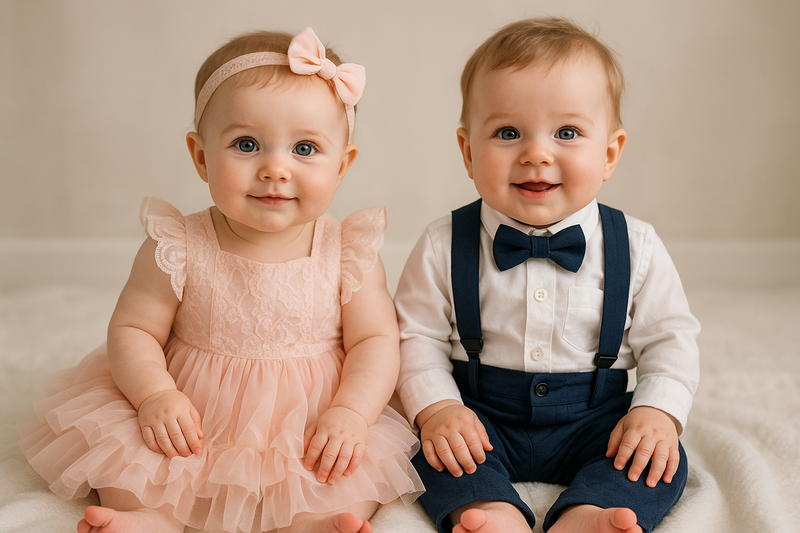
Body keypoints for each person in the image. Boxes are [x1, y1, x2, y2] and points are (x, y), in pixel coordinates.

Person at [19, 27, 423, 533]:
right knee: (141, 462)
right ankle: (149, 519)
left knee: (339, 472)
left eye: (305, 148)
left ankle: (314, 525)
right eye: (247, 144)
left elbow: (376, 340)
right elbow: (134, 330)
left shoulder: (348, 250)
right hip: (192, 412)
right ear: (201, 156)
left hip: (309, 418)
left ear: (342, 167)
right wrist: (154, 396)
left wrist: (351, 413)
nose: (276, 168)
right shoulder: (177, 244)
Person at [393, 17, 700, 533]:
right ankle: (488, 510)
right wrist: (438, 408)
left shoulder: (637, 245)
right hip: (481, 416)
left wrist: (657, 414)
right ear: (468, 152)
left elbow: (671, 338)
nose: (537, 153)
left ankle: (590, 512)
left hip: (595, 420)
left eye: (567, 132)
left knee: (656, 461)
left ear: (609, 153)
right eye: (508, 132)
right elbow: (413, 335)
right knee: (426, 453)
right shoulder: (442, 243)